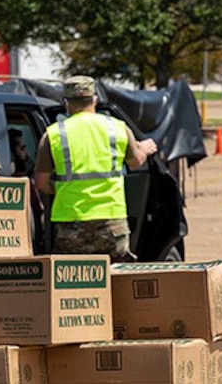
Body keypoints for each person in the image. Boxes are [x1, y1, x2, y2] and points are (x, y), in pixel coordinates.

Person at [33, 75, 158, 260]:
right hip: (112, 222)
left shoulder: (53, 135)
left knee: (71, 283)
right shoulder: (118, 128)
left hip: (70, 222)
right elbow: (136, 161)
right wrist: (145, 149)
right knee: (114, 282)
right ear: (95, 99)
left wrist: (61, 190)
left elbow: (41, 183)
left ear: (66, 103)